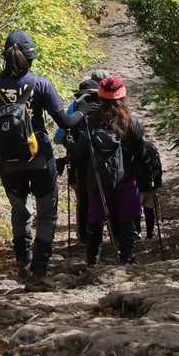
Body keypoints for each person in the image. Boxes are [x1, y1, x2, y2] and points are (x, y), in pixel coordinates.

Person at [0, 31, 82, 289]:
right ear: (30, 57)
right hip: (39, 158)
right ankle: (39, 269)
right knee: (47, 214)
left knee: (20, 211)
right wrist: (83, 112)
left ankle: (22, 261)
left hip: (8, 162)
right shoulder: (40, 84)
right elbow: (65, 121)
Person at [78, 74, 152, 266]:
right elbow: (141, 154)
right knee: (127, 220)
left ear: (100, 96)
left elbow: (81, 152)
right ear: (123, 96)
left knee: (96, 222)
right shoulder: (131, 123)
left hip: (98, 180)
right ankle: (126, 259)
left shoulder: (90, 121)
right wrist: (147, 182)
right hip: (126, 179)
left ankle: (92, 261)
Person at [56, 71, 109, 251]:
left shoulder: (76, 109)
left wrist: (68, 141)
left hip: (81, 162)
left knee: (85, 199)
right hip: (94, 163)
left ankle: (85, 236)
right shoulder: (104, 109)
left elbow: (59, 137)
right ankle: (93, 235)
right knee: (96, 197)